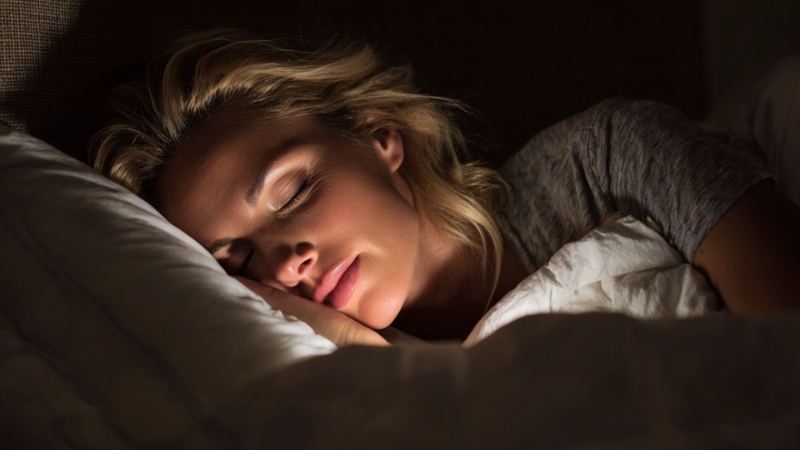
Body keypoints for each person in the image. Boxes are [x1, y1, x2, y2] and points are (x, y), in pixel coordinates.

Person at [90, 29, 800, 347]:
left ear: (380, 138)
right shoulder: (325, 366)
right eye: (238, 262)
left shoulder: (612, 156)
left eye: (290, 193)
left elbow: (782, 349)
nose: (282, 264)